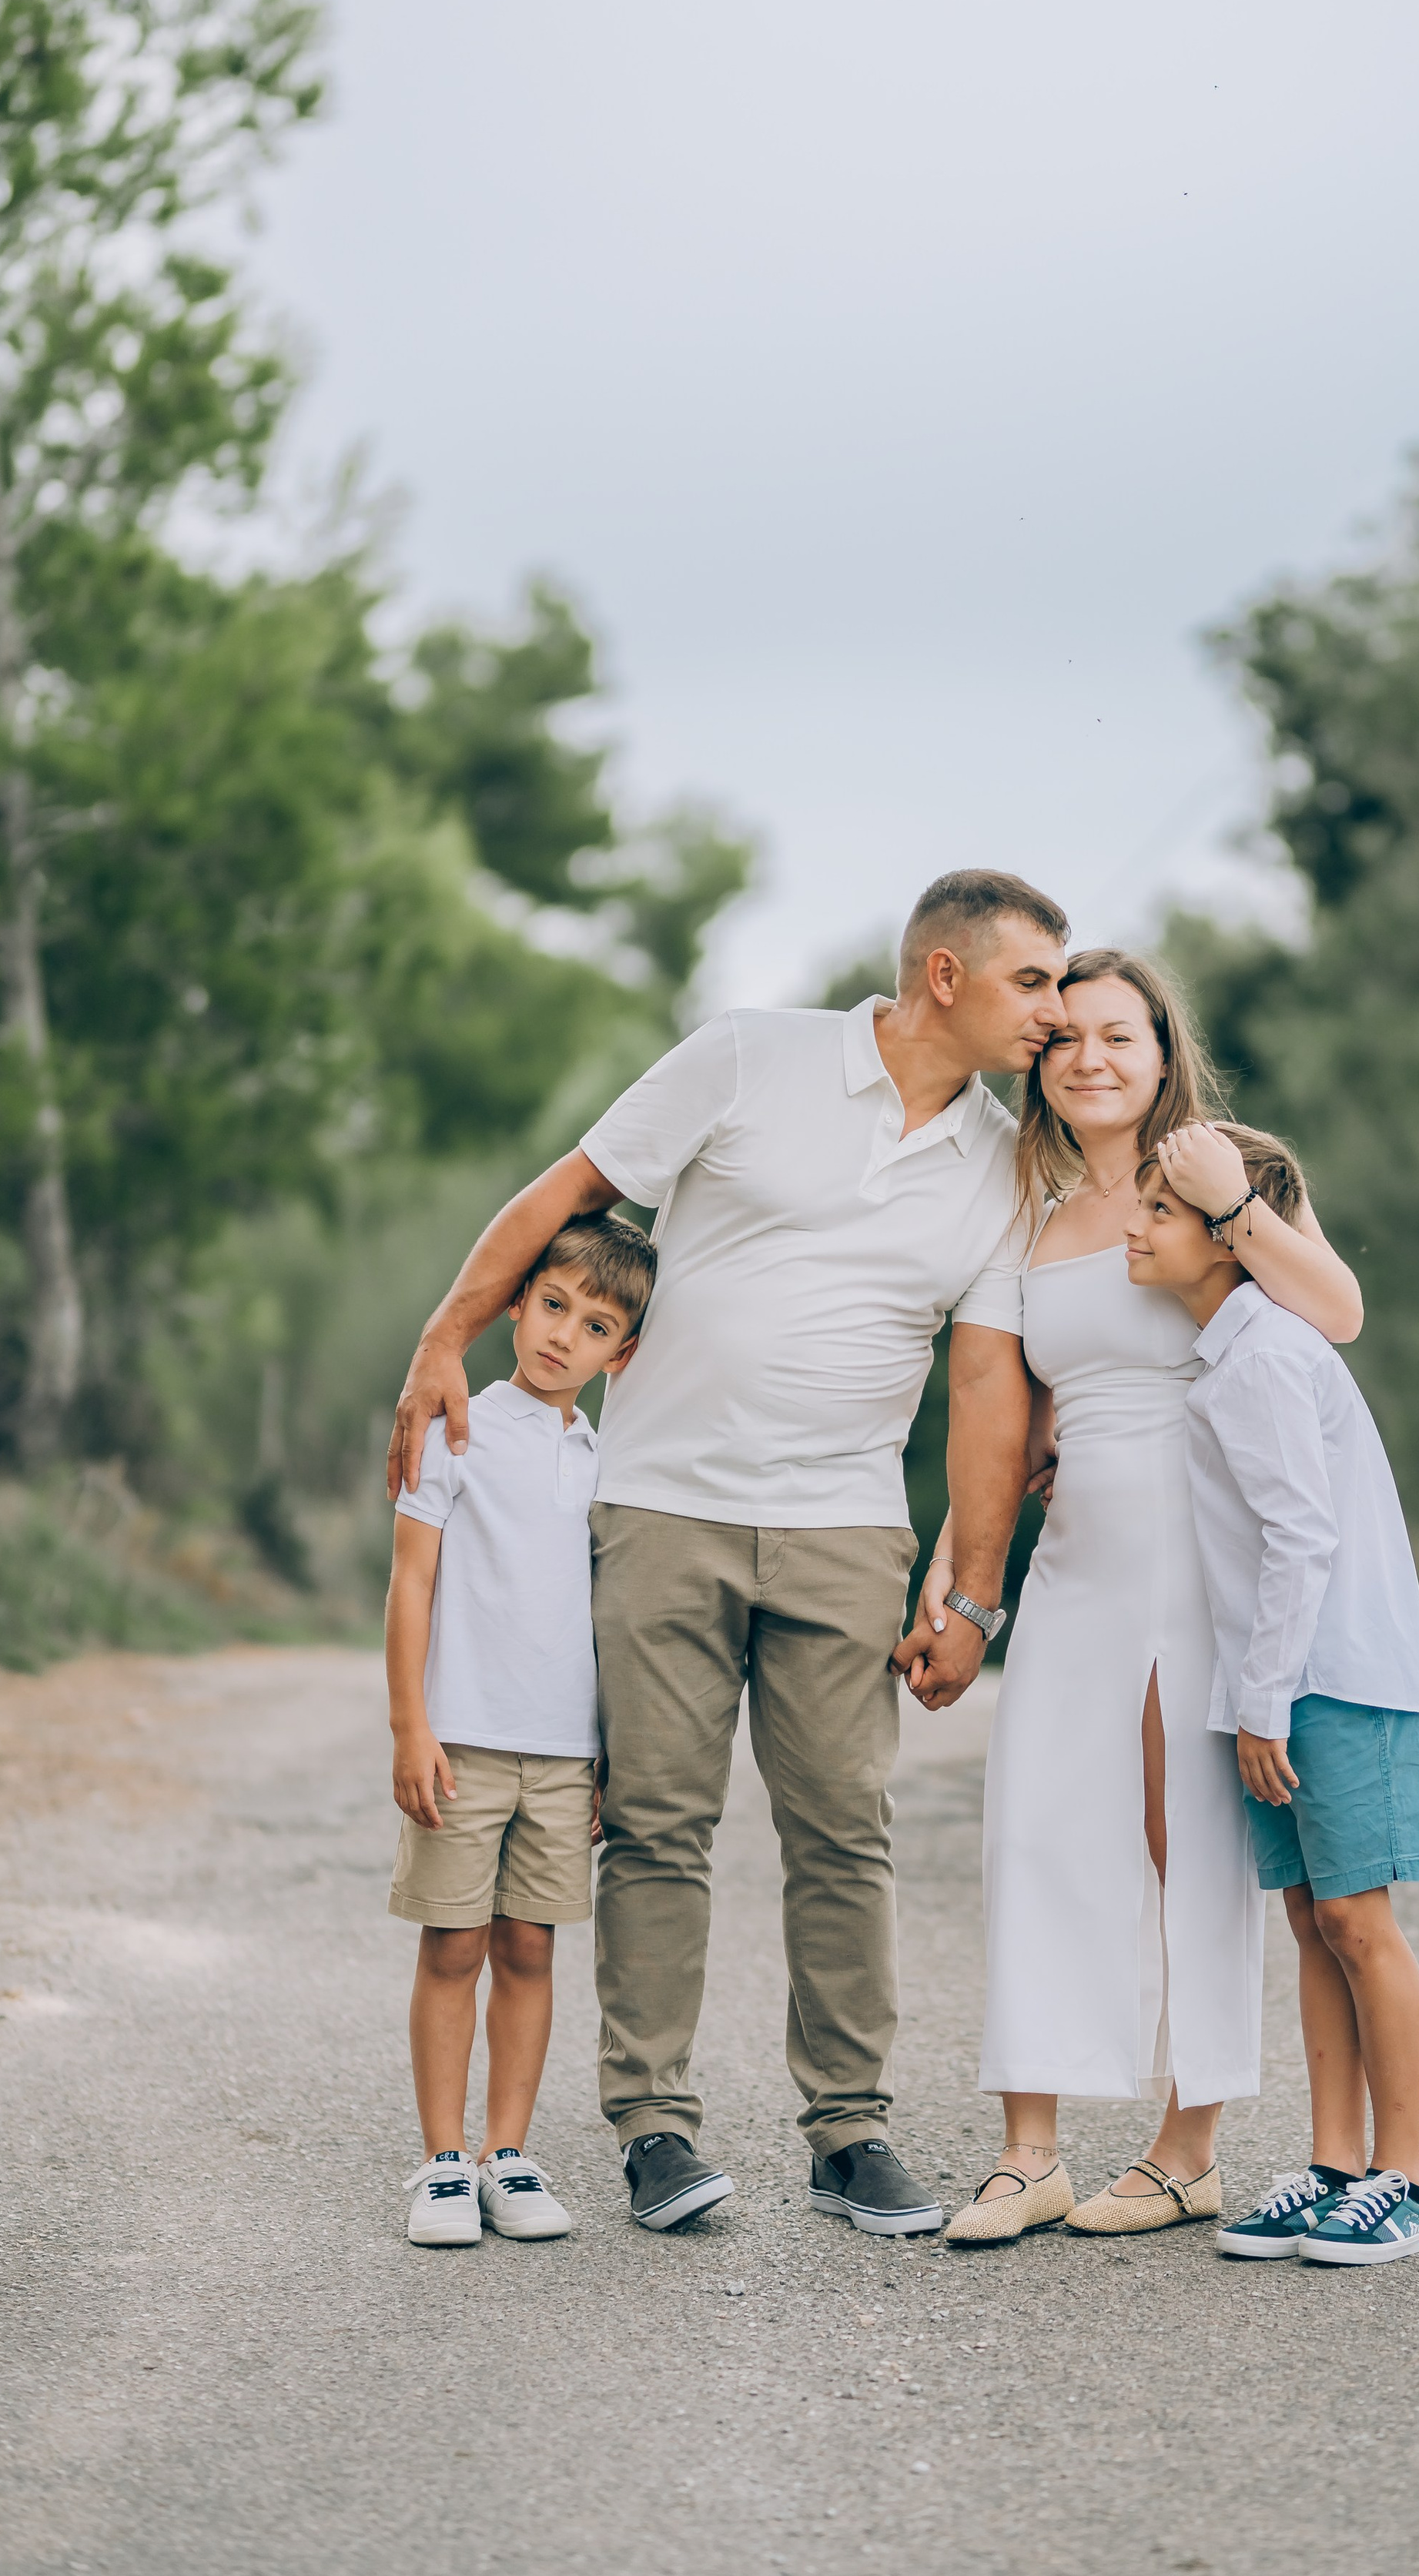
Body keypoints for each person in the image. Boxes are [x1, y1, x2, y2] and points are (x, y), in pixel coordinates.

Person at [388, 869, 1069, 2238]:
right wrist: (441, 1338)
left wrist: (979, 1594)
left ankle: (852, 2130)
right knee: (654, 1828)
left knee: (844, 1833)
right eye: (1033, 984)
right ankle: (652, 2127)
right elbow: (567, 1189)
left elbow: (989, 1386)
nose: (1053, 1014)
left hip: (846, 1529)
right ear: (946, 975)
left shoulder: (1006, 1162)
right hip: (661, 1507)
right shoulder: (751, 1055)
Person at [907, 951, 1366, 2248]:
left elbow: (1334, 1312)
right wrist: (956, 1573)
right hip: (1079, 1565)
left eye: (1121, 1035)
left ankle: (1186, 2148)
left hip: (1209, 1558)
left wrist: (1233, 1211)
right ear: (1041, 1066)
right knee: (1038, 1832)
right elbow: (1013, 1422)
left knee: (1192, 1850)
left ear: (1166, 1051)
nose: (1090, 1058)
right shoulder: (1031, 1209)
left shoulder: (1228, 1172)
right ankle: (1028, 2152)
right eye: (1066, 1040)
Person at [1125, 1131, 1419, 2267]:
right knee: (1314, 1925)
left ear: (1225, 1238)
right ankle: (1333, 2167)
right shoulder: (1234, 1349)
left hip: (1333, 1677)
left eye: (1160, 1211)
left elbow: (1300, 1539)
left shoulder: (1263, 1353)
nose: (1135, 1225)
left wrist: (1259, 1702)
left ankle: (1404, 2183)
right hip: (1286, 1680)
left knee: (1359, 1923)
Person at [387, 1214, 656, 2247]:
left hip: (559, 1753)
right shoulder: (454, 1422)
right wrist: (412, 1727)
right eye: (552, 1306)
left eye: (593, 1326)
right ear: (515, 1302)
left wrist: (597, 1758)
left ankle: (510, 2154)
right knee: (453, 1944)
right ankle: (443, 2162)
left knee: (531, 1950)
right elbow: (411, 1587)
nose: (562, 1337)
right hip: (461, 1738)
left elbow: (601, 1615)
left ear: (618, 1355)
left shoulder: (603, 1458)